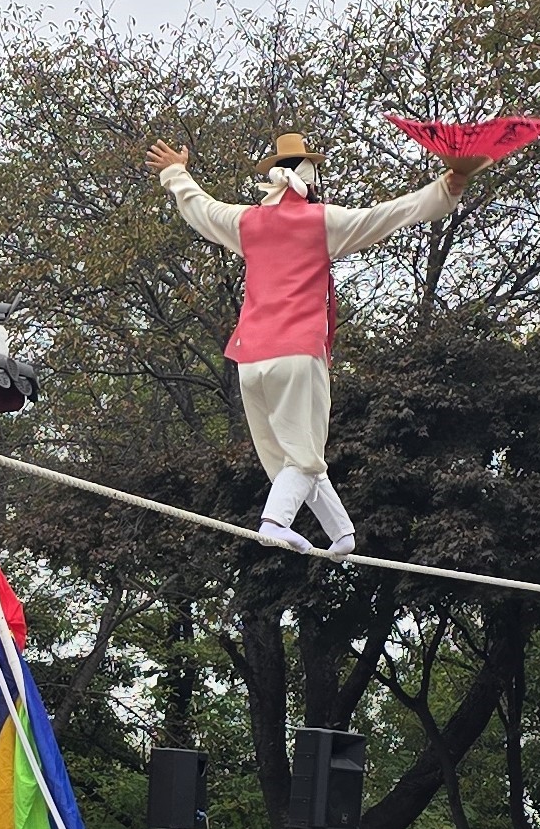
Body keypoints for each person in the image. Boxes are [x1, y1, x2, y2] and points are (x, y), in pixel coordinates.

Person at [145, 132, 482, 555]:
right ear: (312, 175)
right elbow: (388, 214)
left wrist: (177, 172)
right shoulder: (323, 221)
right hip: (297, 354)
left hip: (250, 359)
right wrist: (446, 189)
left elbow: (201, 208)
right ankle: (274, 522)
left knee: (292, 460)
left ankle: (342, 534)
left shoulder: (247, 222)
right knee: (303, 458)